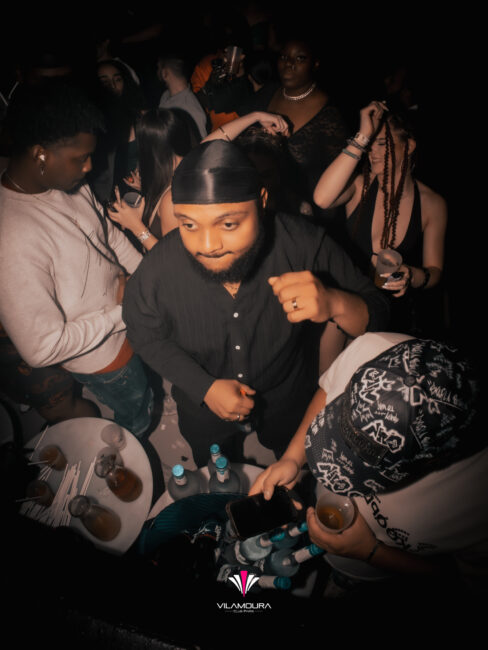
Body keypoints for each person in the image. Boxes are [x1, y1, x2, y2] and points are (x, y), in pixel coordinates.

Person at [122, 139, 389, 467]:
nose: (208, 245)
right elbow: (143, 333)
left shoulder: (304, 243)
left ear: (261, 201)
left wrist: (336, 303)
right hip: (203, 409)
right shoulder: (158, 270)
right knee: (216, 475)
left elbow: (381, 312)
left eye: (228, 224)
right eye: (189, 224)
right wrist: (204, 388)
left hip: (287, 398)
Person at [250, 333, 487, 596]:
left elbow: (458, 582)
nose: (333, 471)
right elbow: (328, 390)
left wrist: (370, 552)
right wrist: (293, 458)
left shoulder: (479, 502)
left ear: (437, 460)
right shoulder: (373, 348)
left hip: (371, 572)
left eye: (363, 466)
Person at [0, 83, 152, 436]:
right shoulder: (11, 239)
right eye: (80, 158)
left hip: (127, 312)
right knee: (137, 404)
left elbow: (107, 236)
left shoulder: (68, 183)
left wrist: (146, 277)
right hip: (103, 354)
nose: (89, 167)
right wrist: (123, 312)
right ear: (40, 155)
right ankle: (132, 442)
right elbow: (42, 348)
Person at [313, 100, 447, 336]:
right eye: (370, 144)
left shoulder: (432, 203)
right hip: (344, 305)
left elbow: (434, 270)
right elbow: (322, 199)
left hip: (393, 318)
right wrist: (362, 136)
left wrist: (411, 275)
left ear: (409, 145)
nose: (372, 152)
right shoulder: (359, 186)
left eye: (382, 143)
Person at [107, 110, 289, 248]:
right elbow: (218, 138)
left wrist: (137, 227)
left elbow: (172, 261)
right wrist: (255, 116)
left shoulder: (171, 198)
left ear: (147, 150)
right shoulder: (185, 167)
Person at [246, 36, 348, 218]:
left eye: (300, 58)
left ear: (315, 64)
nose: (289, 64)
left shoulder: (330, 115)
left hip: (307, 215)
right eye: (284, 57)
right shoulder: (268, 93)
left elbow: (339, 180)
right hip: (262, 204)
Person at [157, 54, 209, 139]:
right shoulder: (165, 95)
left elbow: (201, 146)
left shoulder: (191, 110)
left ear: (164, 73)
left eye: (158, 68)